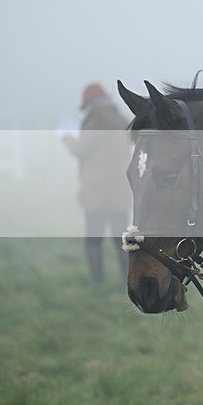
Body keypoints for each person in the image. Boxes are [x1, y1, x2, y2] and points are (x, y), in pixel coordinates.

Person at [62, 82, 131, 284]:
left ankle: (97, 282)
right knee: (122, 242)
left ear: (90, 103)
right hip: (120, 191)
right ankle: (128, 279)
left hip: (96, 193)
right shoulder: (121, 120)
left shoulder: (95, 121)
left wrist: (67, 138)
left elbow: (81, 149)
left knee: (93, 241)